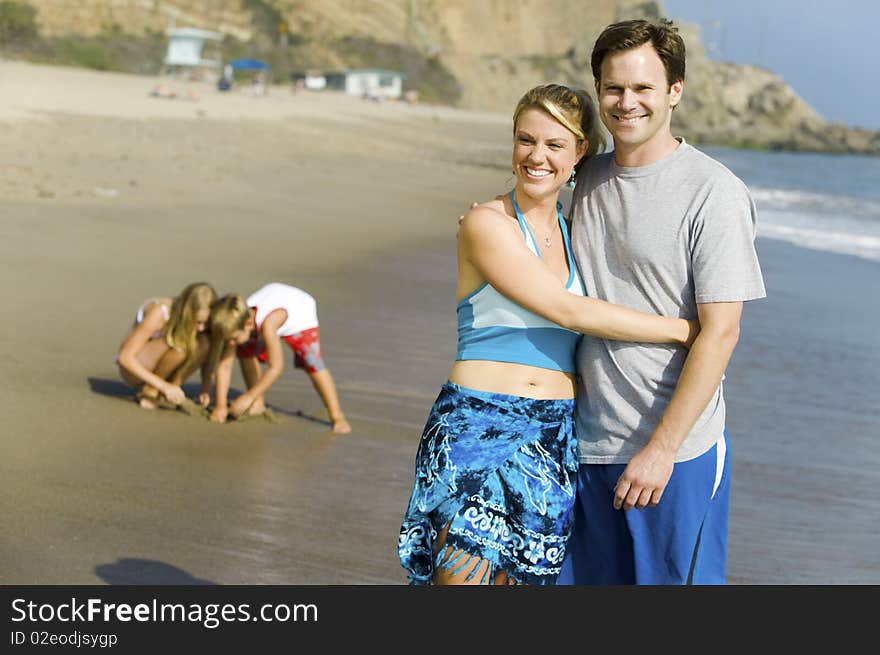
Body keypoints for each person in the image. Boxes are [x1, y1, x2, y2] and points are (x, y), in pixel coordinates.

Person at [397, 84, 699, 586]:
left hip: (554, 435)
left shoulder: (575, 230)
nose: (536, 156)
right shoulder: (485, 223)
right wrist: (682, 330)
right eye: (525, 140)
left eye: (555, 145)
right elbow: (566, 309)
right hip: (475, 426)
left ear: (580, 153)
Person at [555, 20, 767, 586]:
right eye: (613, 88)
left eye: (643, 88)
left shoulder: (713, 192)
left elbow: (720, 333)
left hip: (675, 456)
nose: (626, 103)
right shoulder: (586, 181)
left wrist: (662, 450)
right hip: (585, 445)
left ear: (674, 90)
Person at [207, 282, 352, 434]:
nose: (230, 343)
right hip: (275, 300)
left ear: (248, 324)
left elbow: (276, 368)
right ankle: (258, 403)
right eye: (228, 339)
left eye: (233, 339)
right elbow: (225, 366)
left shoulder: (268, 325)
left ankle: (337, 416)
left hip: (300, 313)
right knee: (244, 351)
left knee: (313, 363)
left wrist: (248, 397)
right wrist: (220, 406)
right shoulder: (236, 322)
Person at [116, 282, 217, 410]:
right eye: (197, 322)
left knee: (204, 343)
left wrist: (206, 389)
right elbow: (124, 358)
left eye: (206, 323)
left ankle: (173, 387)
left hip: (163, 364)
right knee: (180, 345)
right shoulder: (160, 312)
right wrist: (163, 386)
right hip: (134, 367)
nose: (201, 328)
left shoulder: (202, 329)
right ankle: (152, 390)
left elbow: (208, 358)